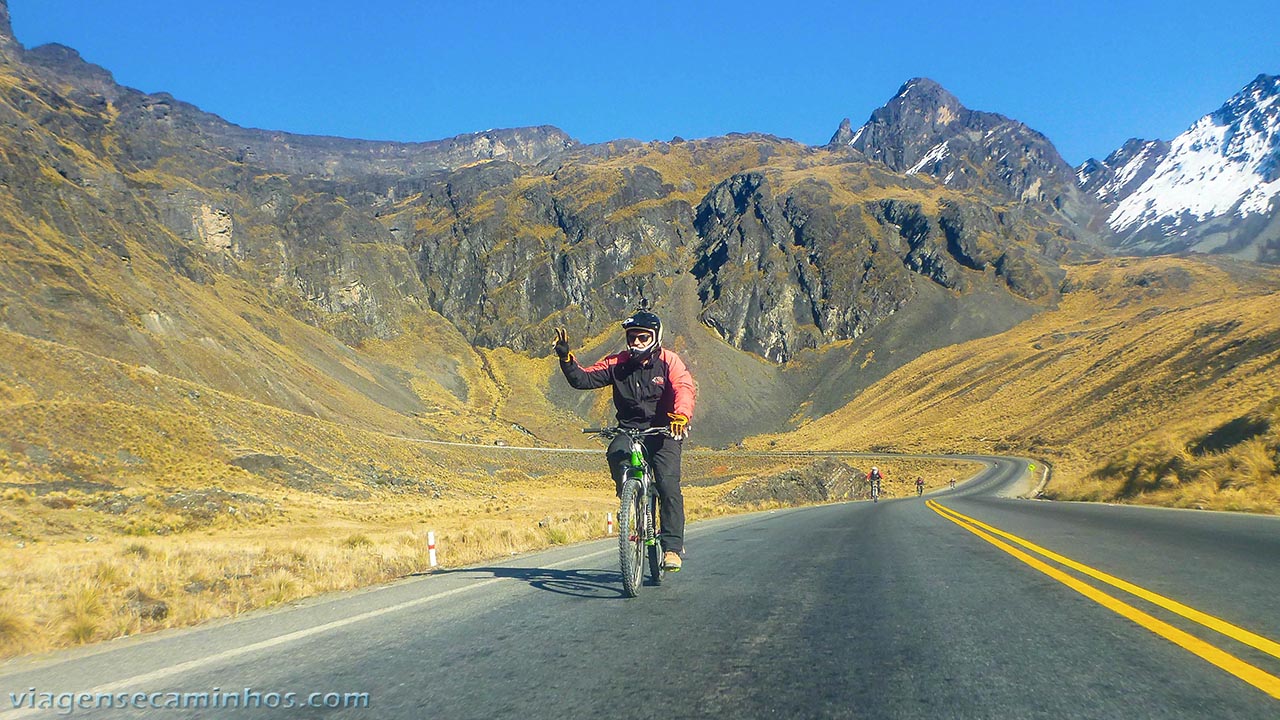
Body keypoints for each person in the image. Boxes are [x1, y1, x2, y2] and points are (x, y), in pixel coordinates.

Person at [553, 309, 696, 571]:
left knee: (668, 485)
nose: (636, 343)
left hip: (665, 430)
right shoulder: (616, 363)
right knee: (616, 452)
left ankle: (673, 548)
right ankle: (629, 493)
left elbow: (684, 388)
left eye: (643, 338)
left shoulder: (669, 361)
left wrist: (681, 416)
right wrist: (566, 359)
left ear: (655, 337)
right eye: (632, 338)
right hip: (629, 429)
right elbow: (583, 379)